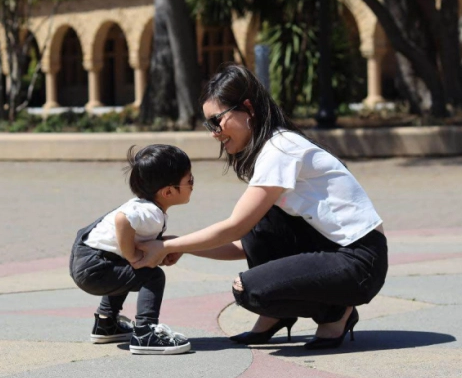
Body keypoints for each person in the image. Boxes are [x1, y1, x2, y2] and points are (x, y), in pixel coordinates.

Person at [135, 65, 388, 350]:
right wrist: (178, 245)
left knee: (249, 289)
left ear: (247, 109)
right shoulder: (271, 151)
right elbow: (245, 243)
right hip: (336, 251)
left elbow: (235, 226)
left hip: (359, 261)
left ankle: (336, 311)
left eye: (216, 120)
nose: (214, 132)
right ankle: (273, 317)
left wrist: (168, 247)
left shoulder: (281, 149)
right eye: (208, 124)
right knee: (260, 220)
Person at [69, 144, 194, 355]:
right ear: (169, 191)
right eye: (189, 180)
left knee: (127, 269)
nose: (193, 185)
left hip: (87, 260)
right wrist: (133, 256)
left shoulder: (144, 206)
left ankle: (106, 323)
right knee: (152, 276)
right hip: (95, 267)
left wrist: (164, 245)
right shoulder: (151, 213)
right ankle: (146, 332)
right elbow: (122, 220)